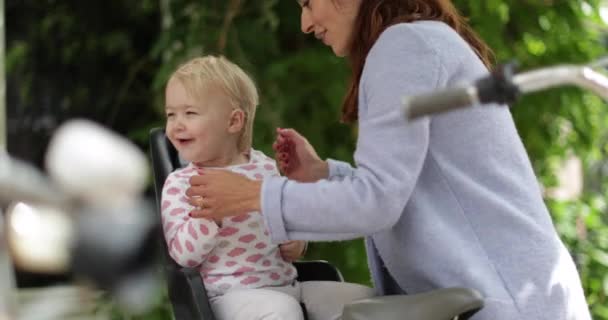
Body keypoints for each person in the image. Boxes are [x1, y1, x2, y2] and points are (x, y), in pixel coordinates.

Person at [184, 1, 592, 319]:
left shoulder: (403, 47)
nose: (305, 24)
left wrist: (254, 196)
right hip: (520, 297)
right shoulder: (419, 41)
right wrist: (324, 175)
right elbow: (412, 186)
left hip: (508, 305)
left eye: (308, 2)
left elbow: (377, 202)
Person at [161, 55, 374, 320]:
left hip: (287, 285)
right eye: (171, 114)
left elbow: (283, 221)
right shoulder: (180, 184)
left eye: (190, 113)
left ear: (233, 122)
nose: (176, 124)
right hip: (227, 298)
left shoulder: (263, 167)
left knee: (364, 303)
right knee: (281, 312)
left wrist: (297, 243)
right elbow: (183, 258)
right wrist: (207, 218)